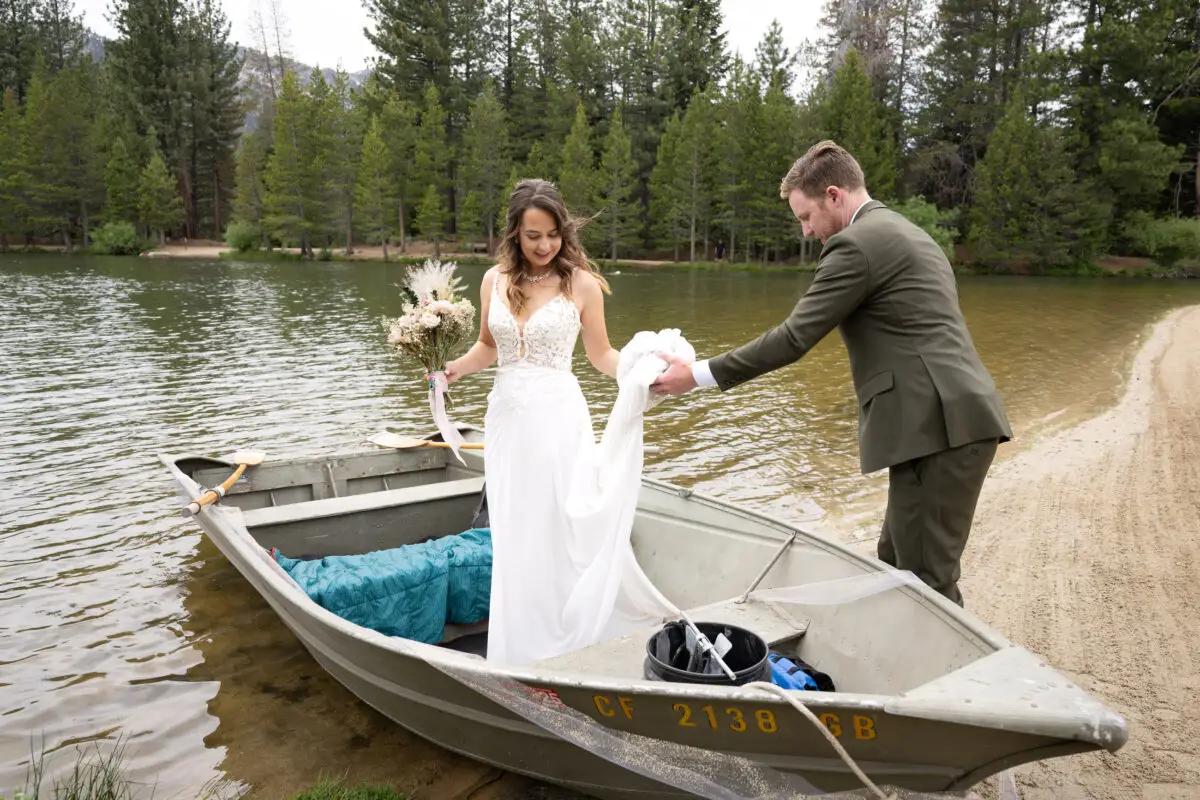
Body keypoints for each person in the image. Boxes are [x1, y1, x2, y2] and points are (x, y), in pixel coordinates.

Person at [651, 140, 1012, 607]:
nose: (805, 231)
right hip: (945, 420)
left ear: (836, 196)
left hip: (939, 424)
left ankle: (959, 678)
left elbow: (793, 338)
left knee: (926, 584)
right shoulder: (905, 232)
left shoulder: (856, 245)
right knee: (896, 560)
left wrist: (696, 376)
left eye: (806, 216)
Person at [444, 179, 677, 666]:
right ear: (514, 233)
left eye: (552, 234)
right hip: (508, 420)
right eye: (533, 236)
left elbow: (601, 355)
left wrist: (639, 375)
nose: (544, 245)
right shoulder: (493, 281)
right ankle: (522, 641)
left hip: (558, 419)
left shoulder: (581, 284)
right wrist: (452, 369)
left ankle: (569, 630)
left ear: (563, 230)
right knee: (517, 529)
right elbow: (489, 347)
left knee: (561, 522)